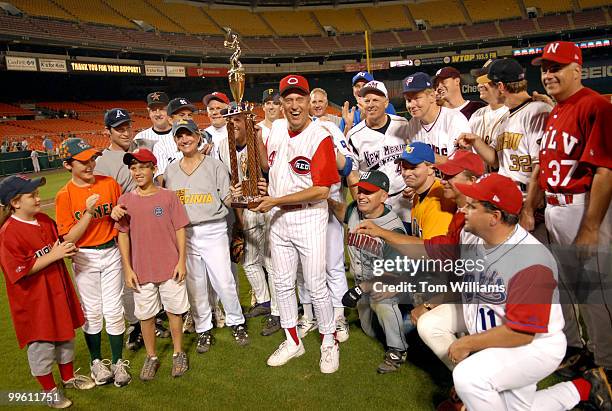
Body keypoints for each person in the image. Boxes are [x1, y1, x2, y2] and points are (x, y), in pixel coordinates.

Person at [443, 173, 611, 411]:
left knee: (469, 377)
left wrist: (468, 344)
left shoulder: (531, 261)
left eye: (472, 206)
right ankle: (584, 388)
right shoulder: (478, 239)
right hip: (505, 335)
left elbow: (522, 333)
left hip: (535, 346)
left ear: (494, 217)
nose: (463, 210)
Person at [531, 41, 612, 384]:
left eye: (556, 67)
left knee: (595, 293)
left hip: (582, 207)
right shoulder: (558, 109)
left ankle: (607, 364)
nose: (549, 74)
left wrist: (591, 226)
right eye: (545, 68)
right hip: (554, 207)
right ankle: (579, 349)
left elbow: (606, 171)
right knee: (565, 288)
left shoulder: (595, 105)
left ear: (577, 69)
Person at [253, 74, 340, 373]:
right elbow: (268, 166)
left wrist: (276, 200)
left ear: (307, 102)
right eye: (287, 100)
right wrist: (252, 138)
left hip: (308, 215)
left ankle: (329, 340)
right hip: (279, 219)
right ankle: (293, 340)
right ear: (281, 104)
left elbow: (322, 190)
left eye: (299, 99)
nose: (293, 105)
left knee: (316, 284)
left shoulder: (320, 136)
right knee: (282, 282)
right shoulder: (275, 128)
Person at [0, 175, 96, 409]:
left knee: (65, 338)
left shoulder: (43, 219)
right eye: (31, 195)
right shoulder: (8, 232)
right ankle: (49, 391)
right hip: (34, 301)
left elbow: (57, 246)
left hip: (57, 290)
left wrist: (66, 250)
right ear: (15, 202)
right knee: (42, 345)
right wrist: (53, 255)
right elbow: (18, 271)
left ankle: (68, 378)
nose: (38, 198)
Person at [163, 119, 249, 354]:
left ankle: (236, 321)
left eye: (188, 134)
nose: (184, 139)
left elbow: (228, 200)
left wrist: (241, 197)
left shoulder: (214, 166)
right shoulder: (170, 171)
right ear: (175, 140)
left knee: (223, 280)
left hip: (213, 229)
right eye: (179, 136)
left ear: (198, 137)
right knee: (195, 285)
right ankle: (203, 329)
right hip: (186, 233)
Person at [54, 138, 131, 388]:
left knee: (114, 309)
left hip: (111, 252)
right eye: (83, 161)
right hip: (84, 256)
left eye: (92, 159)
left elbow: (120, 219)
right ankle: (97, 362)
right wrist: (88, 212)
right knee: (92, 312)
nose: (90, 164)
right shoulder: (64, 195)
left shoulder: (109, 184)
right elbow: (69, 237)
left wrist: (117, 214)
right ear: (68, 165)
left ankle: (118, 362)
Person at [94, 108, 170, 351]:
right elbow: (100, 201)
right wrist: (112, 211)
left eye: (128, 126)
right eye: (119, 128)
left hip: (149, 228)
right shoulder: (102, 162)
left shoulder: (138, 151)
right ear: (107, 132)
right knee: (130, 281)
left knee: (151, 274)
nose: (126, 132)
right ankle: (135, 326)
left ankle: (153, 318)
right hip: (122, 230)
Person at [113, 148, 190, 381]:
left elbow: (180, 229)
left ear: (153, 168)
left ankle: (178, 352)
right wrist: (127, 268)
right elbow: (123, 236)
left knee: (174, 312)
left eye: (142, 167)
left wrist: (181, 261)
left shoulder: (168, 196)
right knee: (145, 316)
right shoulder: (125, 201)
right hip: (141, 270)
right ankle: (152, 356)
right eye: (133, 168)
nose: (137, 172)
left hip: (169, 266)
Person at [457, 58, 551, 241]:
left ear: (500, 86)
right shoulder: (507, 117)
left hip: (529, 202)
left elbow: (540, 168)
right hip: (510, 202)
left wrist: (529, 210)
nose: (482, 87)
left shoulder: (537, 111)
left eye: (488, 84)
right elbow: (495, 160)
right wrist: (476, 141)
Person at [328, 171, 409, 373]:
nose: (362, 195)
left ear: (384, 197)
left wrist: (359, 290)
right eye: (361, 190)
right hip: (364, 285)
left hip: (393, 283)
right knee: (371, 331)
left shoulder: (393, 229)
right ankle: (398, 325)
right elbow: (341, 211)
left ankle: (398, 349)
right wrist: (322, 198)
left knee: (381, 300)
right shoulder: (356, 210)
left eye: (370, 192)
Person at [217, 111, 272, 321]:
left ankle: (275, 306)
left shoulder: (260, 138)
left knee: (270, 261)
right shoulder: (223, 146)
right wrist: (237, 217)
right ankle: (266, 302)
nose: (233, 124)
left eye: (238, 119)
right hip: (244, 209)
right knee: (249, 261)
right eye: (229, 120)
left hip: (267, 206)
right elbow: (228, 181)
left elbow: (269, 169)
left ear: (247, 121)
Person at [347, 80, 412, 229]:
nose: (371, 104)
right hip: (377, 205)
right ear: (361, 103)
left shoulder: (402, 124)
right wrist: (362, 203)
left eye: (376, 100)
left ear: (386, 102)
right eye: (367, 100)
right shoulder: (354, 136)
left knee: (410, 247)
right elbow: (353, 175)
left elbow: (414, 159)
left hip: (406, 199)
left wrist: (415, 186)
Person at [404, 72, 470, 162]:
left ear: (431, 96)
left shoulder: (454, 119)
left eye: (416, 98)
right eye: (408, 100)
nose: (411, 105)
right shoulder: (412, 123)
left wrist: (424, 156)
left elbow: (463, 164)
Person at [153, 97, 197, 183]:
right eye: (181, 115)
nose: (187, 118)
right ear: (170, 120)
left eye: (190, 115)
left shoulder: (202, 140)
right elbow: (162, 179)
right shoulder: (161, 145)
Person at [468, 60, 510, 149]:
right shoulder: (476, 115)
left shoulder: (513, 113)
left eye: (484, 81)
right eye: (479, 81)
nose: (479, 85)